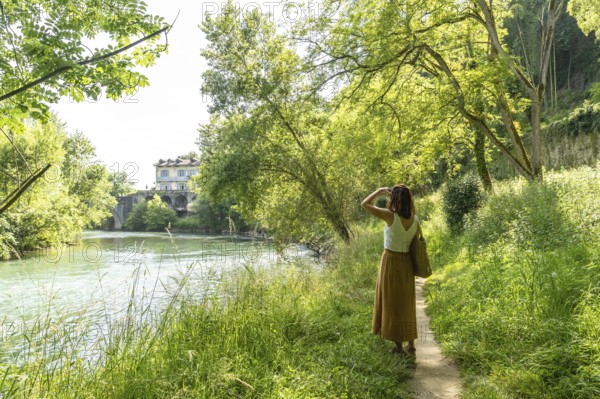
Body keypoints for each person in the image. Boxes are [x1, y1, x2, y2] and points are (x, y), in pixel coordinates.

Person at [361, 184, 421, 356]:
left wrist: (379, 191)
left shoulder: (390, 216)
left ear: (394, 198)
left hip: (391, 262)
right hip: (407, 263)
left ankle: (399, 347)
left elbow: (364, 204)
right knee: (407, 303)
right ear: (409, 199)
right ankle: (411, 344)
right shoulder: (414, 219)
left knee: (393, 303)